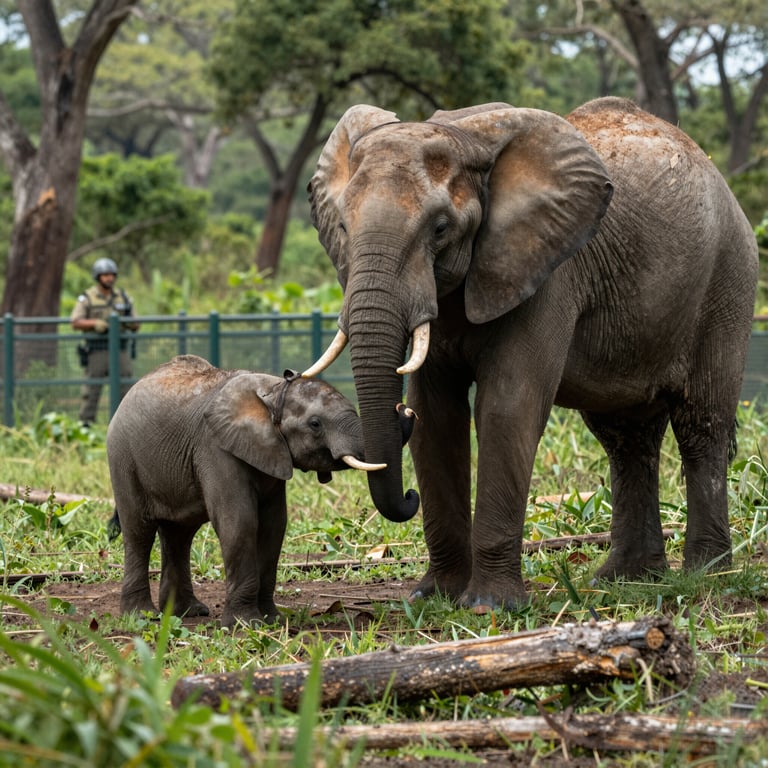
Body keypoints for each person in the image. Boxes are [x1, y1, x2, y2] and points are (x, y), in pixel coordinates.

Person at [71, 258, 139, 426]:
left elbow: (136, 323)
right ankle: (86, 427)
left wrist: (126, 323)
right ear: (98, 276)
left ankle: (126, 426)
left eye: (112, 275)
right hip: (97, 350)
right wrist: (94, 323)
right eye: (105, 275)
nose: (109, 278)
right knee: (91, 390)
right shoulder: (88, 297)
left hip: (120, 349)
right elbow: (75, 321)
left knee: (126, 388)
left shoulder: (123, 297)